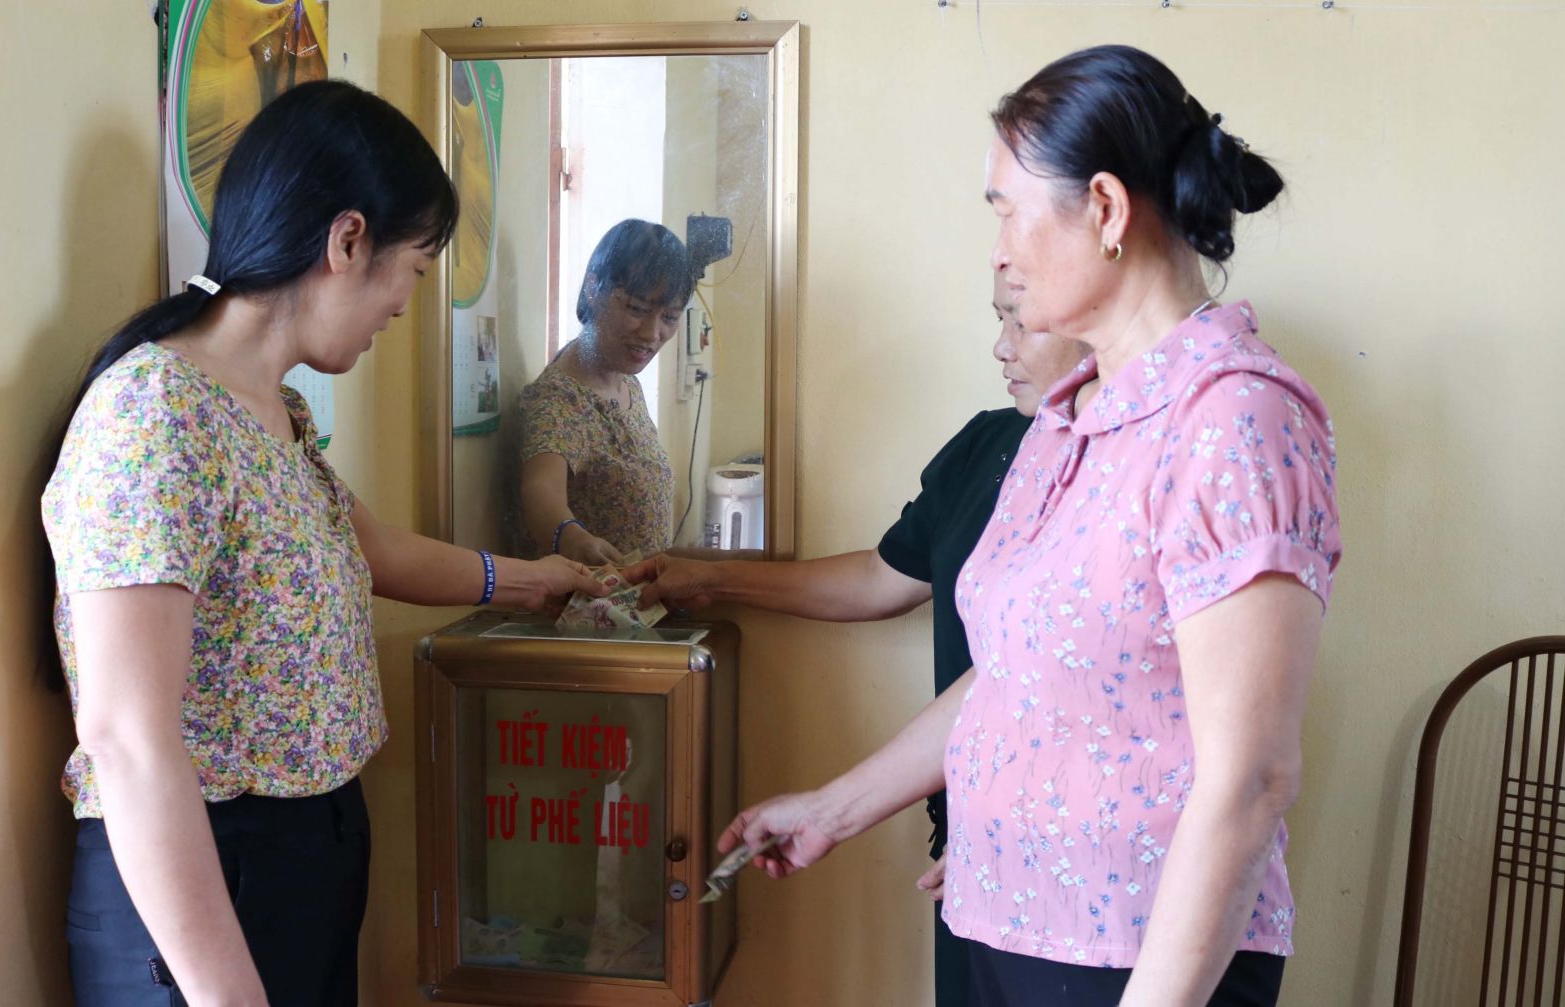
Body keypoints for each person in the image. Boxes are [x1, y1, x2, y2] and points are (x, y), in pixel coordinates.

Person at [711, 45, 1343, 1007]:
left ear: (1104, 208)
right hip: (1005, 923)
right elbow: (1017, 673)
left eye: (1006, 207)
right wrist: (835, 809)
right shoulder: (1066, 420)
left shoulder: (1232, 421)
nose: (998, 247)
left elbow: (1250, 778)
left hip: (1134, 964)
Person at [41, 80, 604, 1007]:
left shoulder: (276, 411)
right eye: (414, 271)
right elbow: (128, 739)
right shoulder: (156, 415)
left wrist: (527, 581)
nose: (404, 305)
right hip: (199, 878)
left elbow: (362, 545)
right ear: (347, 241)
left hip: (297, 856)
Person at [624, 269, 1088, 1007]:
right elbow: (883, 579)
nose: (1000, 348)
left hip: (1080, 873)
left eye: (1021, 324)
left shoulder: (1127, 477)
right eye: (998, 318)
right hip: (972, 846)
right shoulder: (990, 448)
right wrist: (710, 580)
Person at [518, 219, 695, 566]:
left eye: (670, 317)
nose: (651, 333)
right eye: (637, 309)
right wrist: (573, 539)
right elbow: (541, 490)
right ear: (592, 288)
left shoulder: (627, 382)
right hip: (590, 609)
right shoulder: (559, 399)